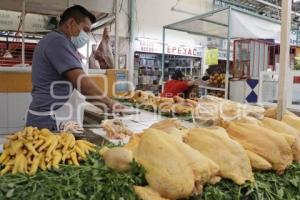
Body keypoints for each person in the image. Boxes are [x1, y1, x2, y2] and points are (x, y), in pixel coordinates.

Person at [26, 5, 122, 131]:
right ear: (71, 23)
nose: (86, 36)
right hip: (48, 120)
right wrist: (110, 103)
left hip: (52, 115)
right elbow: (81, 82)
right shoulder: (57, 42)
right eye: (85, 30)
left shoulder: (59, 42)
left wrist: (104, 105)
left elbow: (77, 86)